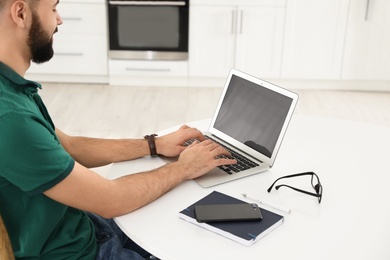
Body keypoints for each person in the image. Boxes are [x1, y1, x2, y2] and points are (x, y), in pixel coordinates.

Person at [0, 0, 237, 259]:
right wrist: (185, 167)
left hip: (86, 227)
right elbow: (111, 200)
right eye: (53, 9)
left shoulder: (12, 88)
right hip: (79, 253)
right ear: (21, 13)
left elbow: (70, 147)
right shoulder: (10, 117)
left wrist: (154, 144)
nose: (59, 20)